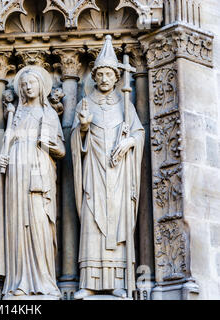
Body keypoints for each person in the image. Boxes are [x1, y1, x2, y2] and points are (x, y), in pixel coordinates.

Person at [71, 36, 145, 299]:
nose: (104, 78)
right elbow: (74, 141)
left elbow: (139, 133)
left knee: (117, 223)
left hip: (118, 174)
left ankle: (117, 280)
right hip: (94, 171)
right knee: (93, 220)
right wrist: (82, 127)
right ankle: (88, 282)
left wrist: (128, 143)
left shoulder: (125, 105)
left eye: (108, 74)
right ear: (94, 77)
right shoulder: (86, 104)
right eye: (99, 74)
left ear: (116, 77)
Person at [0, 66, 65, 299]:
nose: (27, 87)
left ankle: (44, 281)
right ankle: (20, 281)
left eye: (32, 83)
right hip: (16, 174)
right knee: (17, 225)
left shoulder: (49, 115)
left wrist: (46, 144)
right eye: (24, 84)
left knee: (39, 223)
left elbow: (61, 150)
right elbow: (7, 140)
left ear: (41, 87)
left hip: (40, 173)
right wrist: (5, 152)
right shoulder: (15, 114)